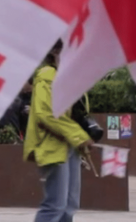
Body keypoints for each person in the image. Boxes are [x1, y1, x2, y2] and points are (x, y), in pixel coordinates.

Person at [24, 40, 93, 222]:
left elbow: (77, 114)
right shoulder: (47, 75)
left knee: (69, 205)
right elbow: (46, 114)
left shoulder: (70, 77)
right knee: (55, 205)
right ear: (55, 51)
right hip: (53, 145)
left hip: (71, 146)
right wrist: (79, 137)